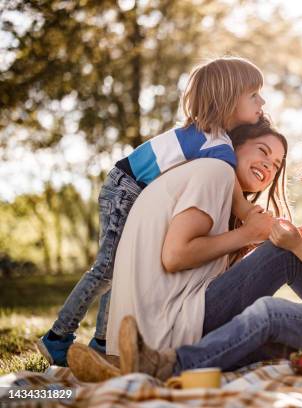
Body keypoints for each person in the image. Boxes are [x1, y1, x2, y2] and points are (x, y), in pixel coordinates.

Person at [79, 129, 302, 380]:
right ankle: (165, 362)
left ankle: (172, 365)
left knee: (271, 313)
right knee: (268, 318)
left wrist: (298, 245)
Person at [38, 56, 269, 366]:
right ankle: (58, 336)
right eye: (253, 94)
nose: (262, 101)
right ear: (228, 98)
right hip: (125, 185)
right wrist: (260, 225)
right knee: (107, 268)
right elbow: (238, 200)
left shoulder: (211, 139)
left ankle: (103, 341)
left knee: (120, 269)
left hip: (132, 187)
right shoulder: (215, 144)